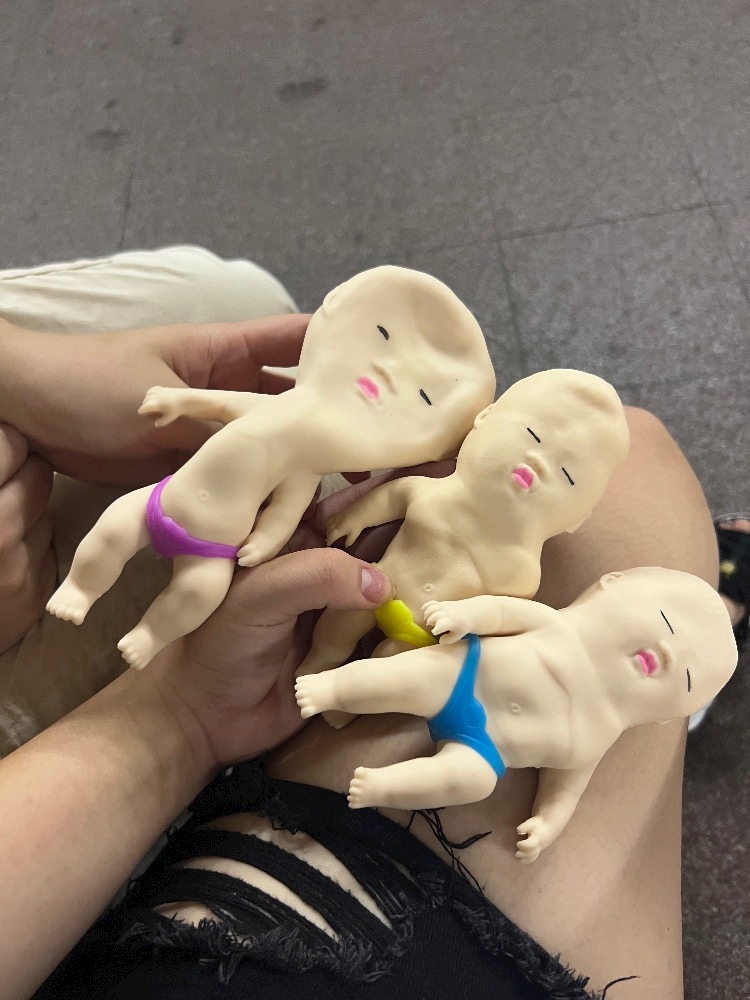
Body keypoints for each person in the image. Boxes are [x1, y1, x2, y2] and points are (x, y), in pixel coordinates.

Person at [0, 247, 722, 1000]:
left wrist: (186, 713)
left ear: (569, 513)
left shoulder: (518, 560)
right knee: (351, 637)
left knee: (401, 683)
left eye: (566, 477)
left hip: (419, 664)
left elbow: (512, 610)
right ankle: (327, 684)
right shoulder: (431, 494)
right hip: (394, 733)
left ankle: (355, 734)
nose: (538, 470)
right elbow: (390, 505)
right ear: (485, 427)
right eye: (534, 442)